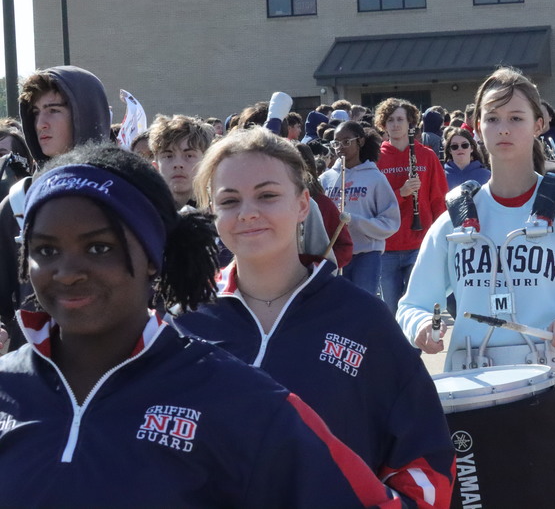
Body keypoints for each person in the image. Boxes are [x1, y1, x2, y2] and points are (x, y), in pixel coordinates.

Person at [0, 144, 398, 508]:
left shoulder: (242, 399)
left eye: (99, 248)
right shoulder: (7, 387)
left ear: (153, 256)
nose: (67, 273)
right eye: (46, 250)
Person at [176, 129, 454, 508]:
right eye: (229, 200)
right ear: (213, 212)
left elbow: (425, 456)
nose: (248, 212)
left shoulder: (362, 319)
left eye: (267, 195)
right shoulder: (185, 324)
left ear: (303, 203)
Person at [397, 66, 555, 447]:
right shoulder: (454, 221)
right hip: (473, 397)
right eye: (492, 119)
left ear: (539, 124)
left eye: (516, 118)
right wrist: (424, 325)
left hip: (554, 396)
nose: (503, 129)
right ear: (476, 127)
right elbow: (412, 305)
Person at [0, 66, 111, 351]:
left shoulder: (127, 196)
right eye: (35, 112)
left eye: (53, 109)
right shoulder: (17, 202)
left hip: (118, 365)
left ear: (84, 112)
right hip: (36, 369)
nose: (41, 124)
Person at [375, 99, 447, 314]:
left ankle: (414, 348)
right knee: (391, 310)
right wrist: (402, 194)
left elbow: (439, 199)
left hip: (420, 243)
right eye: (390, 120)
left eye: (400, 119)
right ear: (383, 125)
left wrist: (440, 238)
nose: (395, 125)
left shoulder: (427, 155)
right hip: (387, 246)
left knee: (417, 308)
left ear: (410, 123)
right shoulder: (375, 159)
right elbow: (374, 205)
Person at [320, 121, 400, 298]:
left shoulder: (375, 178)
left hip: (366, 254)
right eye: (336, 143)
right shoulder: (325, 179)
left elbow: (391, 222)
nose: (340, 147)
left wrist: (355, 221)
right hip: (334, 255)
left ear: (360, 142)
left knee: (362, 303)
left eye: (346, 141)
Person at [148, 114, 215, 209]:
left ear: (205, 163)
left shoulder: (219, 211)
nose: (178, 164)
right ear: (156, 166)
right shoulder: (144, 213)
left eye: (189, 155)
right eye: (168, 156)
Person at [442, 125, 491, 189]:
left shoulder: (486, 175)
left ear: (472, 148)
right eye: (454, 146)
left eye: (464, 145)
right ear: (450, 150)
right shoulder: (441, 176)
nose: (460, 149)